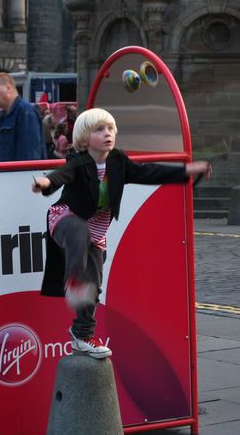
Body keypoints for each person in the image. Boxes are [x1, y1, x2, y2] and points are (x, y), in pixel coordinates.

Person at [32, 107, 212, 359]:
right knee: (78, 232)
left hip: (97, 231)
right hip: (66, 218)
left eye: (110, 129)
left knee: (93, 287)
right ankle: (73, 279)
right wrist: (47, 183)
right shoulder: (79, 161)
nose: (107, 134)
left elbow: (150, 173)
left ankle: (82, 336)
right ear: (84, 139)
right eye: (99, 130)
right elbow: (63, 174)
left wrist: (187, 171)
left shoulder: (118, 161)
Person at [0, 72, 47, 161]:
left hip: (19, 174)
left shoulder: (26, 112)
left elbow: (30, 157)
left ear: (8, 88)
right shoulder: (2, 117)